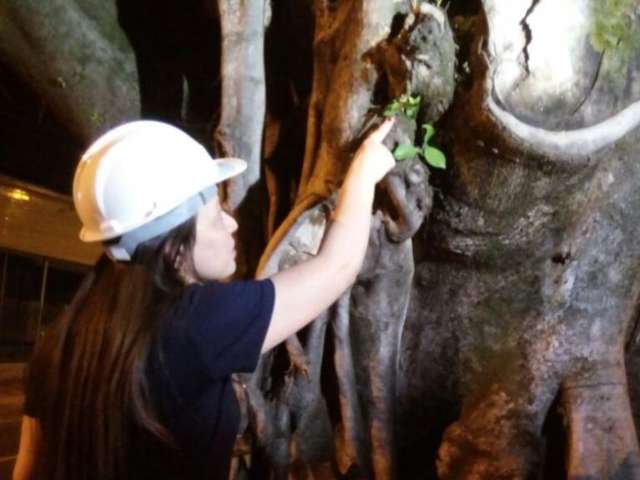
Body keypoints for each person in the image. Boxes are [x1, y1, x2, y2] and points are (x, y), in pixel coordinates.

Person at [12, 117, 395, 480]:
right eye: (215, 218)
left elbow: (27, 471)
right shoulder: (197, 322)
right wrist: (362, 174)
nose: (232, 223)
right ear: (173, 251)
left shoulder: (62, 340)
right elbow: (336, 269)